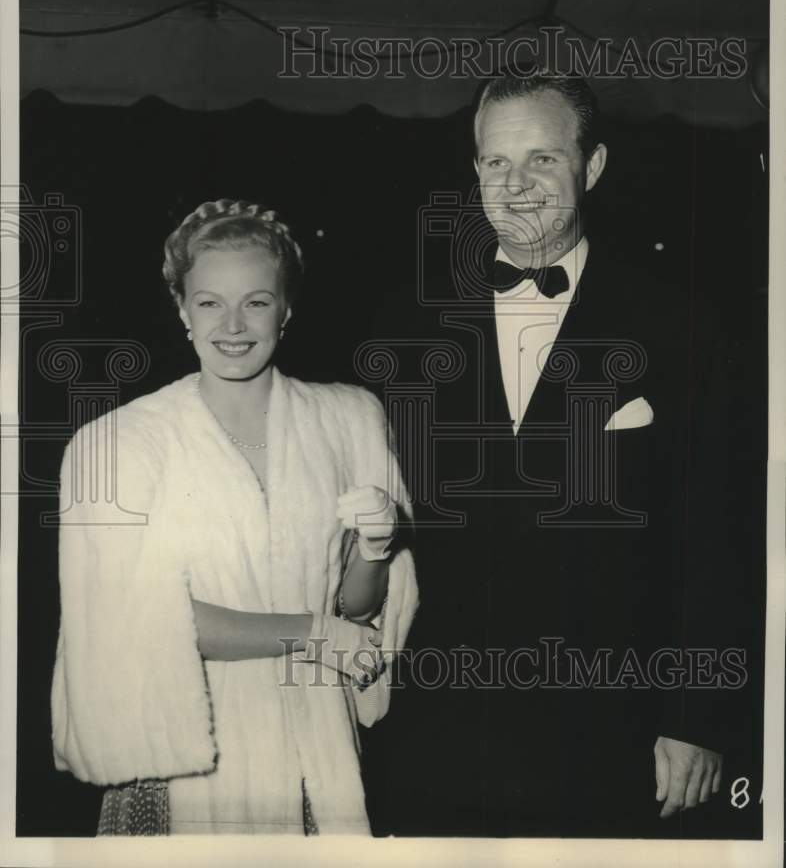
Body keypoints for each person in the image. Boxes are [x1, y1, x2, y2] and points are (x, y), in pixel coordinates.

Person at [365, 72, 748, 837]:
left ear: (593, 166)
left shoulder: (683, 327)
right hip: (437, 739)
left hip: (607, 739)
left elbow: (718, 539)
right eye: (497, 163)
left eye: (543, 159)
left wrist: (696, 716)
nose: (517, 185)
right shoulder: (403, 323)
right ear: (474, 173)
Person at [51, 199, 418, 836]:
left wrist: (375, 547)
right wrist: (314, 633)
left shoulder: (347, 418)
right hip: (189, 759)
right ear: (181, 308)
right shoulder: (116, 443)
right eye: (210, 302)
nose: (234, 324)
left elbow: (359, 612)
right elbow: (137, 620)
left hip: (316, 749)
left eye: (256, 301)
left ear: (287, 308)